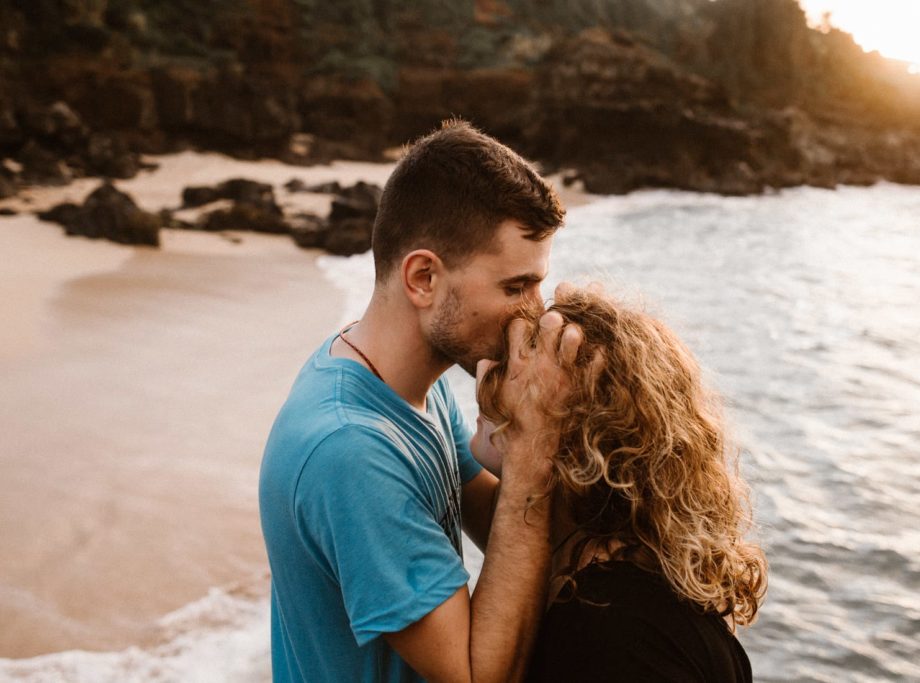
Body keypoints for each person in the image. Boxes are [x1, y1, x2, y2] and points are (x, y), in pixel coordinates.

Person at [259, 120, 589, 682]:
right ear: (423, 278)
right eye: (515, 287)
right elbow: (477, 674)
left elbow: (507, 521)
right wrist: (534, 449)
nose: (535, 311)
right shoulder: (351, 451)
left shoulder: (406, 384)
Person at [475, 286, 768, 682]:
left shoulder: (607, 632)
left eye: (516, 367)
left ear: (573, 430)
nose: (482, 375)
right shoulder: (631, 578)